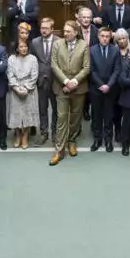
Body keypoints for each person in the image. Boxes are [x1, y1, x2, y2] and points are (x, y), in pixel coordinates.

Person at [49, 21, 90, 165]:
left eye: (68, 31)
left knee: (75, 118)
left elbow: (86, 67)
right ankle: (59, 150)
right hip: (61, 87)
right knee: (61, 118)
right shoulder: (57, 44)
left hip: (79, 89)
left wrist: (74, 83)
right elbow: (54, 65)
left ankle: (71, 140)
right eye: (64, 31)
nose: (65, 33)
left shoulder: (84, 45)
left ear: (76, 32)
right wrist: (66, 82)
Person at [6, 39, 39, 150]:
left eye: (25, 46)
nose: (23, 49)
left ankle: (25, 135)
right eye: (21, 47)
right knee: (16, 113)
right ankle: (17, 134)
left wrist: (26, 88)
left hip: (29, 89)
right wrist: (16, 88)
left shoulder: (33, 59)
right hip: (15, 89)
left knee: (27, 113)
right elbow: (10, 74)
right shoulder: (11, 59)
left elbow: (34, 76)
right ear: (16, 48)